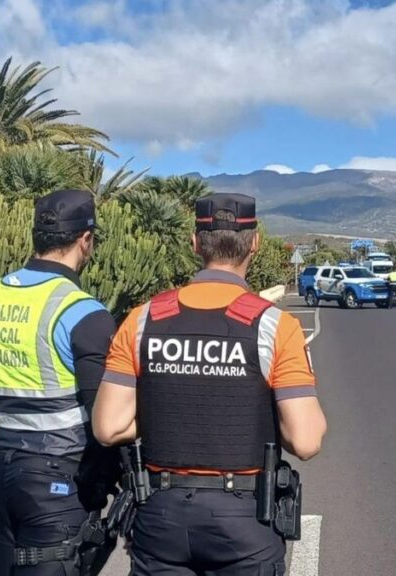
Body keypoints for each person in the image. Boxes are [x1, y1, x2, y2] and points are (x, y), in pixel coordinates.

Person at [93, 193, 327, 575]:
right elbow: (306, 441)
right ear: (254, 243)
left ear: (195, 243)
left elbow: (108, 427)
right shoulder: (274, 327)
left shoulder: (143, 319)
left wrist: (168, 410)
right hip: (245, 521)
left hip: (160, 516)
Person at [0, 189, 119, 575]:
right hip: (58, 479)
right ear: (86, 240)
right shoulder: (82, 311)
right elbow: (104, 412)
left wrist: (9, 393)